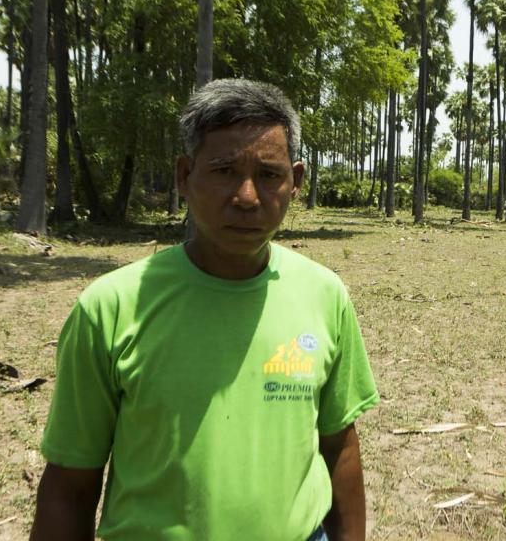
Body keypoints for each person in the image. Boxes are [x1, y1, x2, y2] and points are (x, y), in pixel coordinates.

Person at [30, 79, 379, 541]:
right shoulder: (110, 308)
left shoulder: (324, 295)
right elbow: (69, 487)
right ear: (183, 175)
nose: (247, 197)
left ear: (295, 182)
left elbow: (339, 448)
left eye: (269, 175)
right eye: (223, 170)